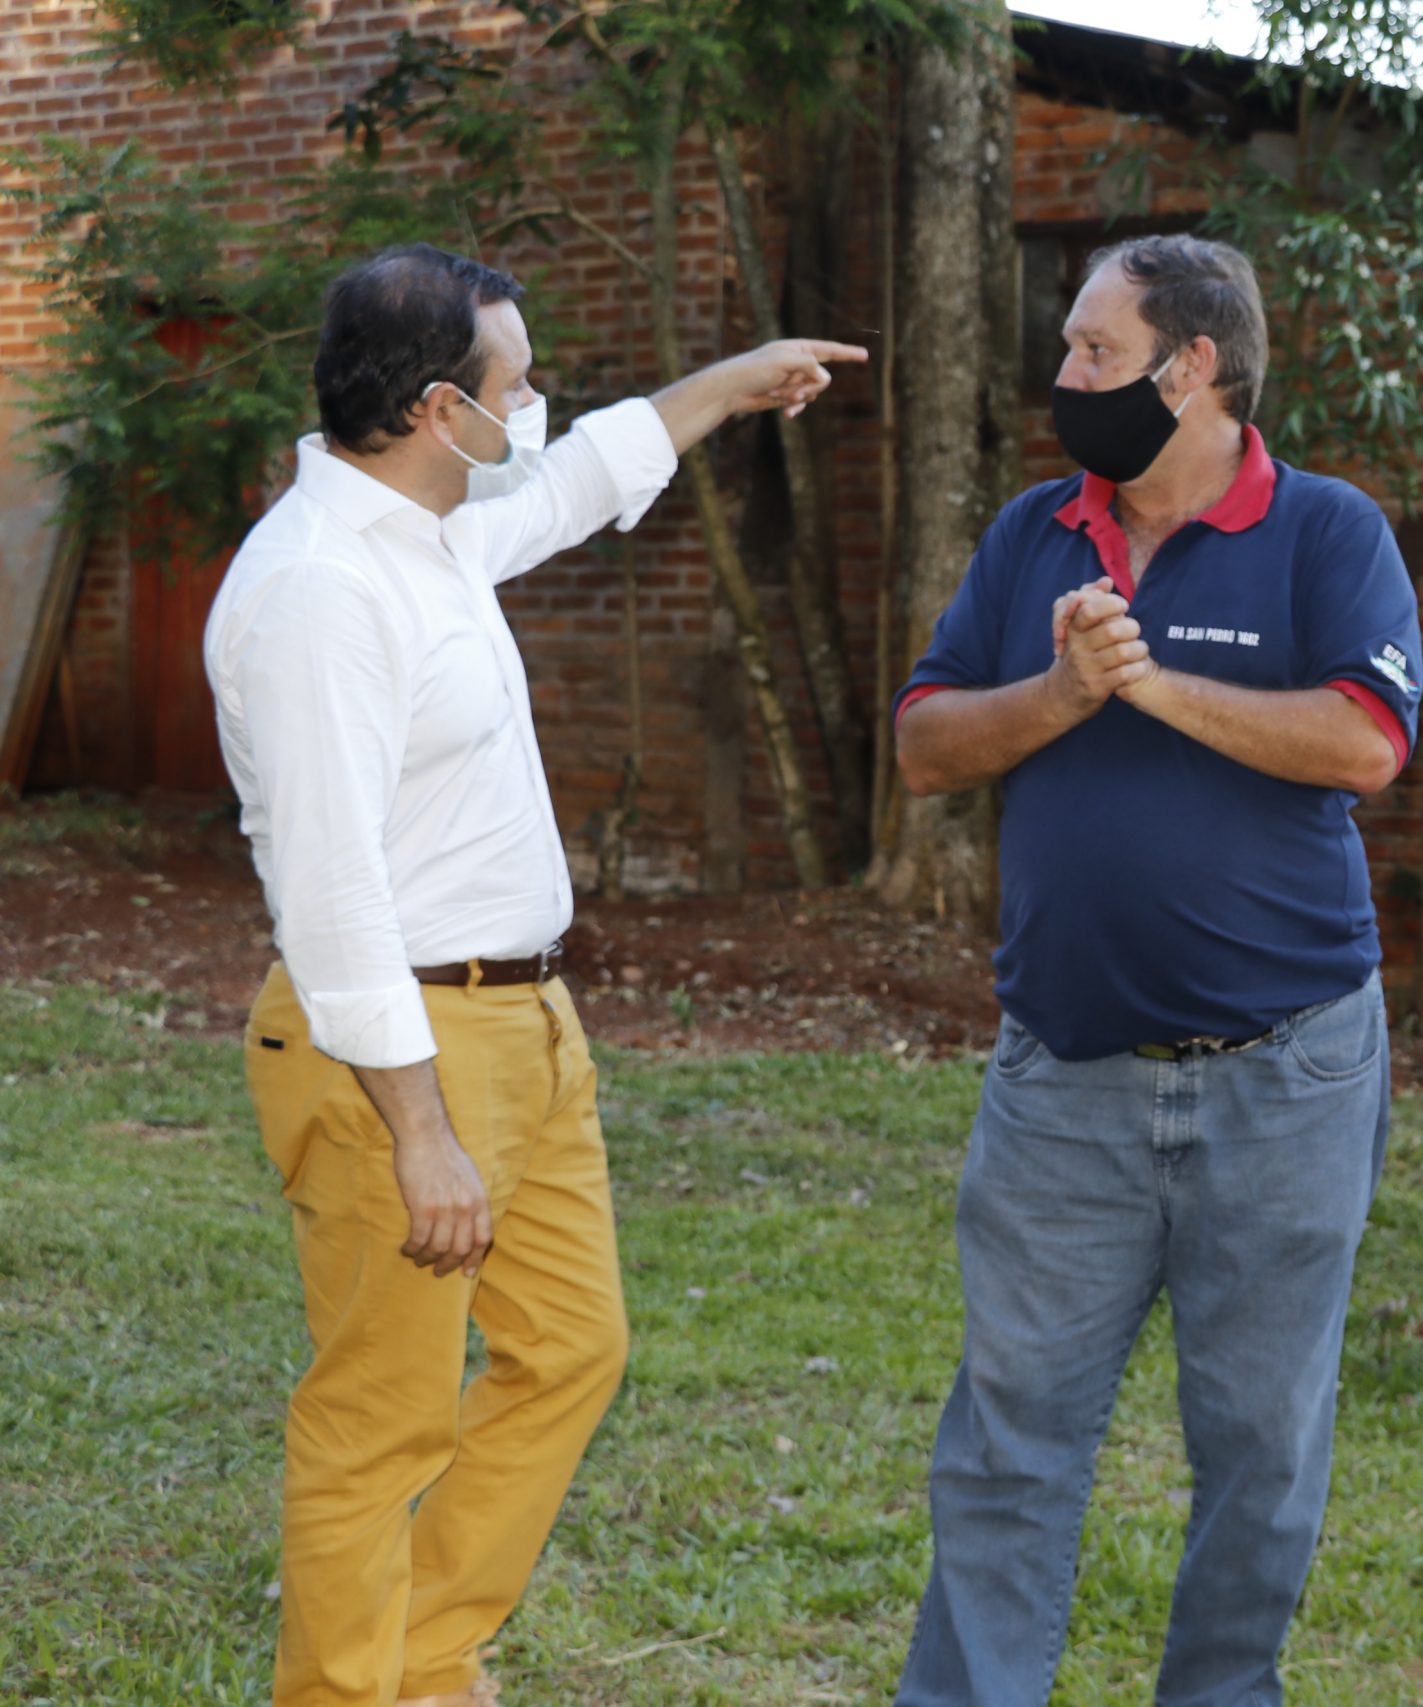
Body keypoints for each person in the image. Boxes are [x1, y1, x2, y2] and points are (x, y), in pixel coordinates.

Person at [204, 243, 861, 1707]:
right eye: (518, 382)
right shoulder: (319, 587)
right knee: (383, 1412)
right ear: (444, 407)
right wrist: (419, 1125)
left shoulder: (431, 526)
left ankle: (425, 1652)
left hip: (525, 1020)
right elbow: (329, 891)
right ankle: (348, 1689)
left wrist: (730, 389)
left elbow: (570, 482)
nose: (537, 402)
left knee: (570, 1346)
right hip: (400, 1044)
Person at [889, 234, 1418, 1707]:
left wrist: (1151, 685)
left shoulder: (1326, 532)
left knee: (1261, 1441)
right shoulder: (1032, 534)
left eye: (1094, 352)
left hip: (1290, 1072)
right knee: (1008, 1431)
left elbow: (1367, 743)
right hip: (1063, 1072)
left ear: (1194, 367)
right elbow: (927, 745)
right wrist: (1059, 691)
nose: (1065, 378)